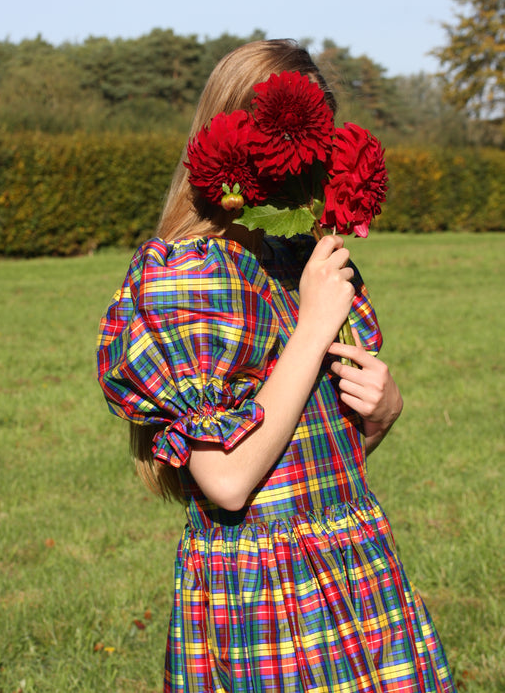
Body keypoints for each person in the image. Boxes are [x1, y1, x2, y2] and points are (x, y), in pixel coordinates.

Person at [97, 39, 457, 692]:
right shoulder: (188, 279)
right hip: (265, 592)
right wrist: (314, 324)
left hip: (354, 563)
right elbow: (229, 480)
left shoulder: (301, 259)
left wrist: (383, 409)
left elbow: (312, 456)